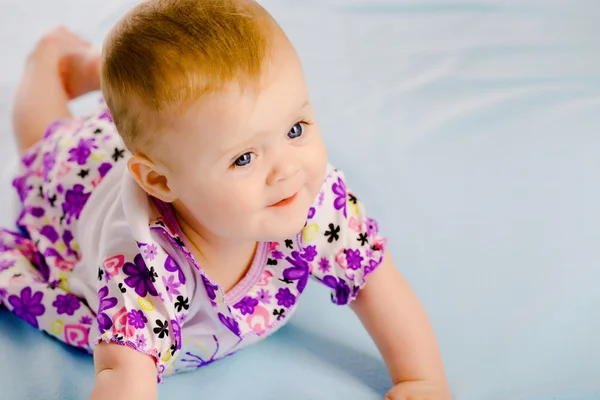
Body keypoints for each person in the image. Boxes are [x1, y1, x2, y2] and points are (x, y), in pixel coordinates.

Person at [0, 1, 451, 399]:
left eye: (296, 129)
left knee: (170, 109)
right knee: (43, 134)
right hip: (83, 176)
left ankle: (104, 72)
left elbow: (377, 283)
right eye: (244, 158)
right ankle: (48, 60)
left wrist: (422, 381)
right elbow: (123, 375)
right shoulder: (142, 266)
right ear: (158, 181)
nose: (287, 169)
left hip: (181, 142)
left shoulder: (312, 203)